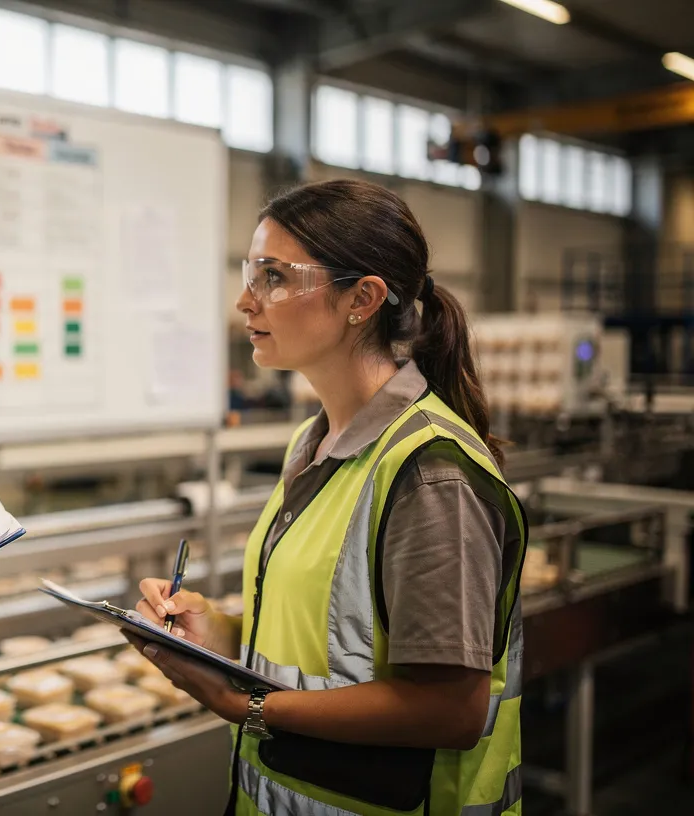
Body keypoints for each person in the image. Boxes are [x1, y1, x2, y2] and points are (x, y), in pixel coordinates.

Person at [130, 179, 527, 815]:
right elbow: (328, 648)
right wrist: (218, 631)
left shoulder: (430, 475)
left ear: (362, 299)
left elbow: (450, 708)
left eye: (275, 278)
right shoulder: (310, 444)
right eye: (250, 274)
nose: (245, 301)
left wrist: (248, 706)